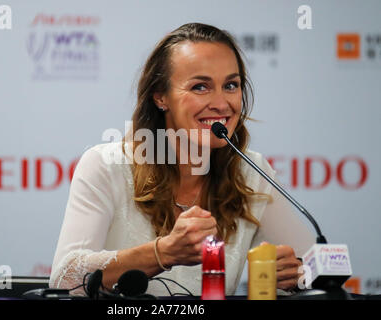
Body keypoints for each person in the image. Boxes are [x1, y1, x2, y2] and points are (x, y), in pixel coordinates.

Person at [49, 23, 315, 297]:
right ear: (161, 96)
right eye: (200, 87)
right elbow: (64, 277)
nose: (221, 103)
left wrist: (298, 277)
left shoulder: (251, 172)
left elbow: (317, 270)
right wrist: (163, 252)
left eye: (231, 85)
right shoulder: (107, 165)